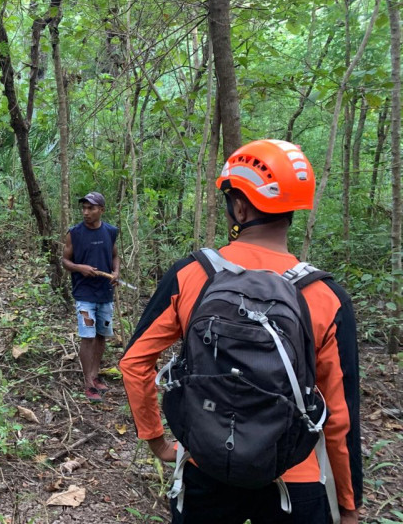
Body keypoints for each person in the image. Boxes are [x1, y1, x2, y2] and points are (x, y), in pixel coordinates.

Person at [120, 140, 362, 524]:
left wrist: (158, 441)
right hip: (294, 476)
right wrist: (348, 505)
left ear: (240, 205)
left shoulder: (192, 274)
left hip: (206, 462)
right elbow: (340, 417)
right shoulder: (326, 297)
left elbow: (134, 363)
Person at [61, 191, 120, 403]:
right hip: (85, 293)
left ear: (101, 210)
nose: (86, 212)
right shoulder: (74, 233)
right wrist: (79, 268)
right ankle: (87, 382)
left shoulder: (110, 231)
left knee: (101, 334)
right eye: (84, 208)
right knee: (87, 336)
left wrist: (115, 272)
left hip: (105, 293)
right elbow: (65, 261)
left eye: (91, 208)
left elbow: (114, 255)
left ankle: (95, 376)